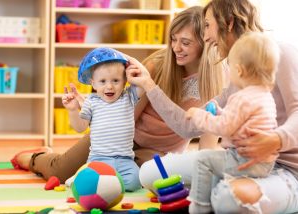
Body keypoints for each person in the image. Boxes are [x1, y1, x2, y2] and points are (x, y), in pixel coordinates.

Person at [11, 6, 226, 184]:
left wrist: (206, 177)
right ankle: (33, 157)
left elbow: (208, 140)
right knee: (59, 171)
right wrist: (109, 148)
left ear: (205, 42)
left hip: (157, 153)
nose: (176, 48)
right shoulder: (156, 66)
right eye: (173, 39)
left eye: (185, 42)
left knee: (136, 181)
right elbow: (124, 113)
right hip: (116, 136)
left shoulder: (217, 80)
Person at [126, 0, 298, 213]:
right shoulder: (237, 75)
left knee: (228, 200)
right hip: (235, 161)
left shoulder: (280, 53)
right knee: (150, 174)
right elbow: (187, 127)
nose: (206, 37)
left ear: (229, 22)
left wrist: (276, 139)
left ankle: (236, 193)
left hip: (283, 169)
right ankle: (224, 190)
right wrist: (149, 86)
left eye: (207, 25)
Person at [186, 32, 280, 213]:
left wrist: (198, 115)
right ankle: (212, 199)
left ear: (239, 71)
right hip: (265, 163)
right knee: (215, 164)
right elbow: (238, 120)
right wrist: (220, 112)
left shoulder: (241, 97)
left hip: (245, 160)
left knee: (203, 160)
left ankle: (199, 207)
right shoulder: (265, 96)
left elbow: (223, 128)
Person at [61, 47, 142, 191]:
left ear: (125, 81)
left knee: (135, 183)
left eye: (116, 80)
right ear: (93, 83)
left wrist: (131, 67)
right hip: (98, 159)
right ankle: (81, 176)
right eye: (102, 81)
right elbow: (80, 127)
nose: (109, 86)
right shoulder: (91, 101)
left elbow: (143, 81)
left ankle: (106, 184)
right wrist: (73, 110)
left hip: (125, 160)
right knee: (89, 185)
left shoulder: (129, 97)